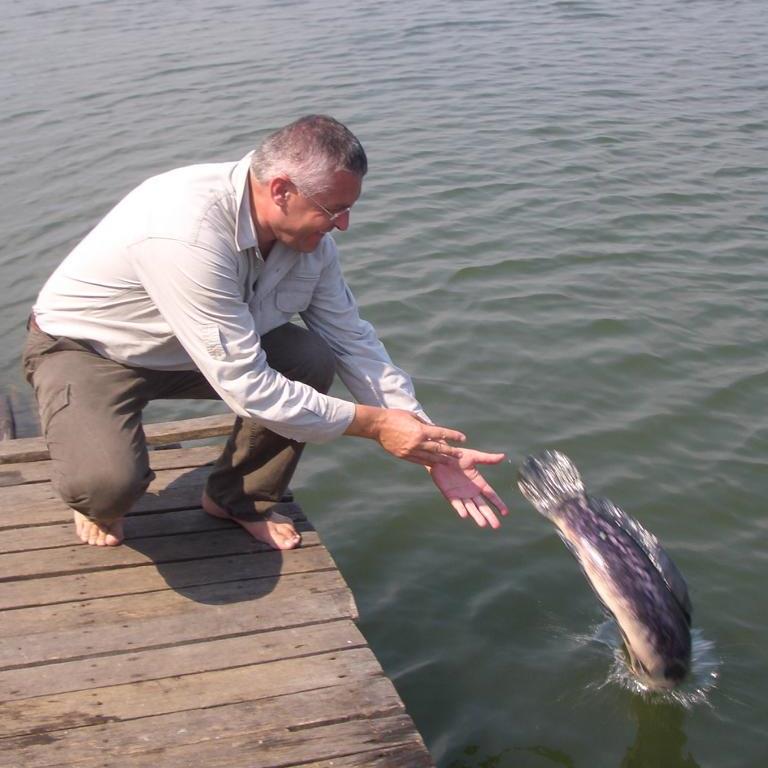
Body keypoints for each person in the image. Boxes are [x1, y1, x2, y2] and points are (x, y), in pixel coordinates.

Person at [23, 115, 508, 550]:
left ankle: (237, 500)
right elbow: (248, 386)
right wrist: (377, 425)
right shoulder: (183, 230)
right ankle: (94, 498)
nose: (344, 224)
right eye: (333, 209)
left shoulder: (309, 240)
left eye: (348, 208)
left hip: (208, 349)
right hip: (92, 350)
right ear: (281, 191)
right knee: (107, 486)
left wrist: (428, 447)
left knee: (311, 356)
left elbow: (353, 341)